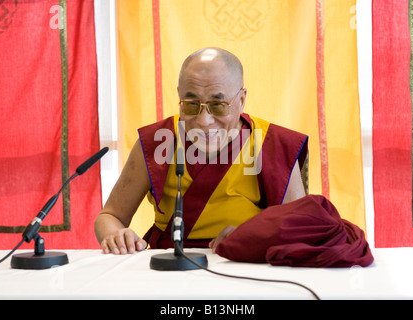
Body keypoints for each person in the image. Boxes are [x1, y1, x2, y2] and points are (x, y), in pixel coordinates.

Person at [94, 47, 308, 255]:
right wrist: (116, 235)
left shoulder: (270, 143)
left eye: (218, 105)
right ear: (179, 97)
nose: (204, 121)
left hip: (244, 265)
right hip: (170, 267)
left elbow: (301, 228)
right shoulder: (157, 141)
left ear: (241, 101)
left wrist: (255, 236)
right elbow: (110, 215)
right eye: (191, 104)